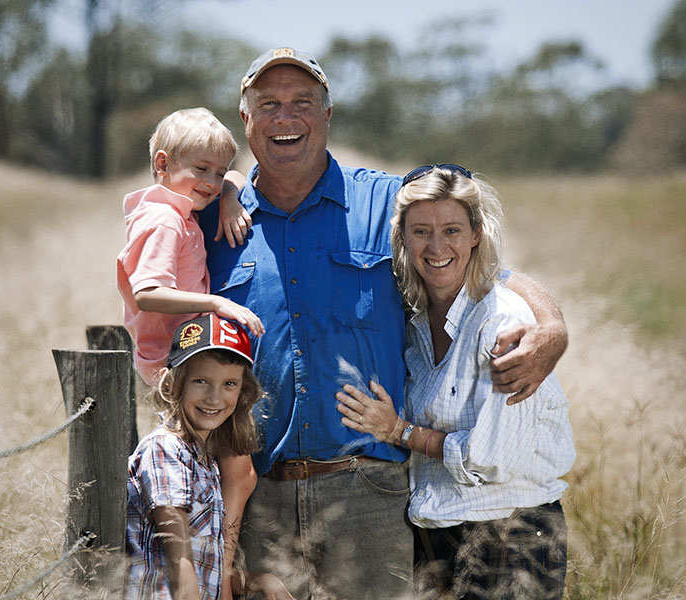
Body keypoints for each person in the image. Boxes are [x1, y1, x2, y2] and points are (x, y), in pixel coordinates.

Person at [198, 47, 569, 599]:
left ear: (327, 115)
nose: (285, 117)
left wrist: (552, 324)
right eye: (268, 103)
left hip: (370, 494)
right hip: (255, 494)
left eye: (302, 102)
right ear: (245, 119)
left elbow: (473, 263)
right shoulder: (211, 222)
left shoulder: (383, 202)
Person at [335, 165, 576, 599]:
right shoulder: (414, 323)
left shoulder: (504, 322)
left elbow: (491, 458)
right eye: (421, 231)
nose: (437, 246)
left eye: (451, 230)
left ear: (476, 234)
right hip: (438, 531)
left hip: (511, 536)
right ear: (403, 239)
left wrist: (398, 431)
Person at [116, 107, 264, 599]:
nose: (210, 180)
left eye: (216, 171)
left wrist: (227, 194)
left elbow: (239, 173)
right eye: (199, 169)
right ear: (162, 165)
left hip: (191, 358)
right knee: (215, 470)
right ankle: (200, 577)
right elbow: (148, 292)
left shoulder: (184, 207)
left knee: (229, 467)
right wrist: (217, 302)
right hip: (171, 365)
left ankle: (215, 565)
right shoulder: (163, 220)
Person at [126, 313, 293, 600]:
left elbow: (210, 567)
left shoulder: (206, 458)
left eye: (229, 384)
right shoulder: (165, 449)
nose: (215, 398)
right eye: (201, 381)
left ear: (243, 391)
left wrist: (259, 580)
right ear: (171, 384)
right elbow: (181, 561)